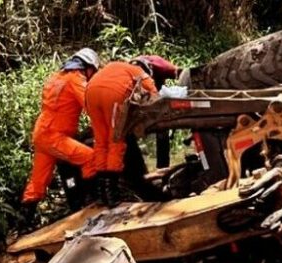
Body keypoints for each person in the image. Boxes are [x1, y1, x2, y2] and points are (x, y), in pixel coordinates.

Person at [20, 48, 101, 224]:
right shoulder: (75, 79)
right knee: (90, 158)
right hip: (54, 136)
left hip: (42, 133)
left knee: (37, 184)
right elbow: (91, 104)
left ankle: (22, 226)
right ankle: (93, 205)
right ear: (87, 67)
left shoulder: (56, 77)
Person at [85, 55, 178, 207]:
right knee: (117, 140)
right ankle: (112, 193)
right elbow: (155, 98)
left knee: (101, 141)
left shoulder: (114, 66)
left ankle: (102, 191)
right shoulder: (139, 72)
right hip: (112, 94)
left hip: (90, 91)